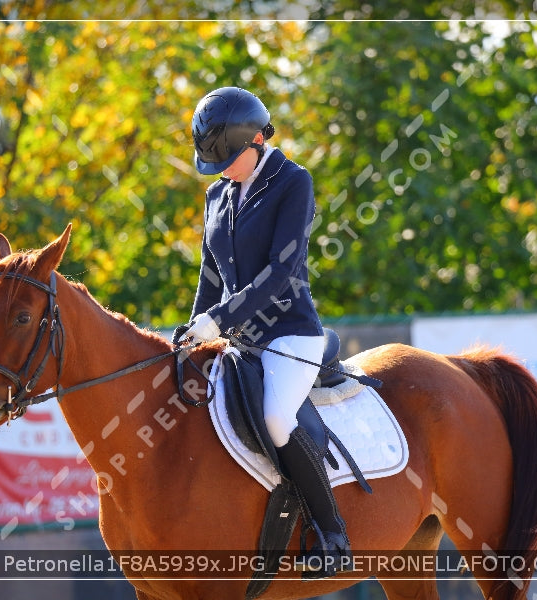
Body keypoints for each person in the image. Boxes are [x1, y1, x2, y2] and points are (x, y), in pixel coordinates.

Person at [175, 86, 351, 577]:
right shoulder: (217, 194)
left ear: (256, 138)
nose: (223, 171)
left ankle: (332, 533)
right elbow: (210, 275)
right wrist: (196, 327)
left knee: (277, 418)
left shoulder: (293, 182)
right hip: (235, 340)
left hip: (289, 334)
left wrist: (220, 320)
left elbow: (281, 271)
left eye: (230, 159)